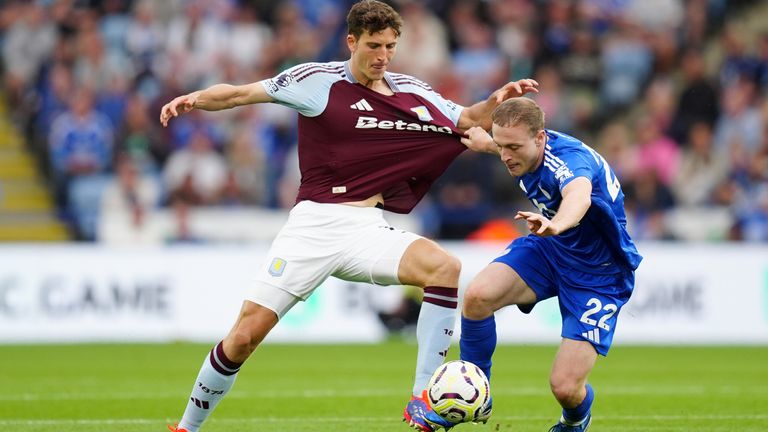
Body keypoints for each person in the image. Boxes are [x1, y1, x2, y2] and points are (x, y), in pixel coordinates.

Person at [158, 2, 538, 432]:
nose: (382, 56)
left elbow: (467, 119)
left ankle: (421, 399)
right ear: (352, 41)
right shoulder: (315, 81)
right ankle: (187, 427)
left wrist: (494, 100)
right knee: (243, 338)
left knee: (444, 267)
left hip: (367, 229)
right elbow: (241, 93)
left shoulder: (409, 89)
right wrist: (194, 99)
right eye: (374, 46)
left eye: (390, 47)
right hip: (313, 226)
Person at [458, 98, 642, 432]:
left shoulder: (570, 163)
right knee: (477, 297)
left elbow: (578, 196)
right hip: (552, 250)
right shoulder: (520, 146)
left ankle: (575, 420)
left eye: (513, 147)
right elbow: (505, 144)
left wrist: (557, 224)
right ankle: (473, 393)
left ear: (541, 138)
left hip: (598, 272)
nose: (506, 156)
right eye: (501, 146)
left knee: (565, 388)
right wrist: (486, 143)